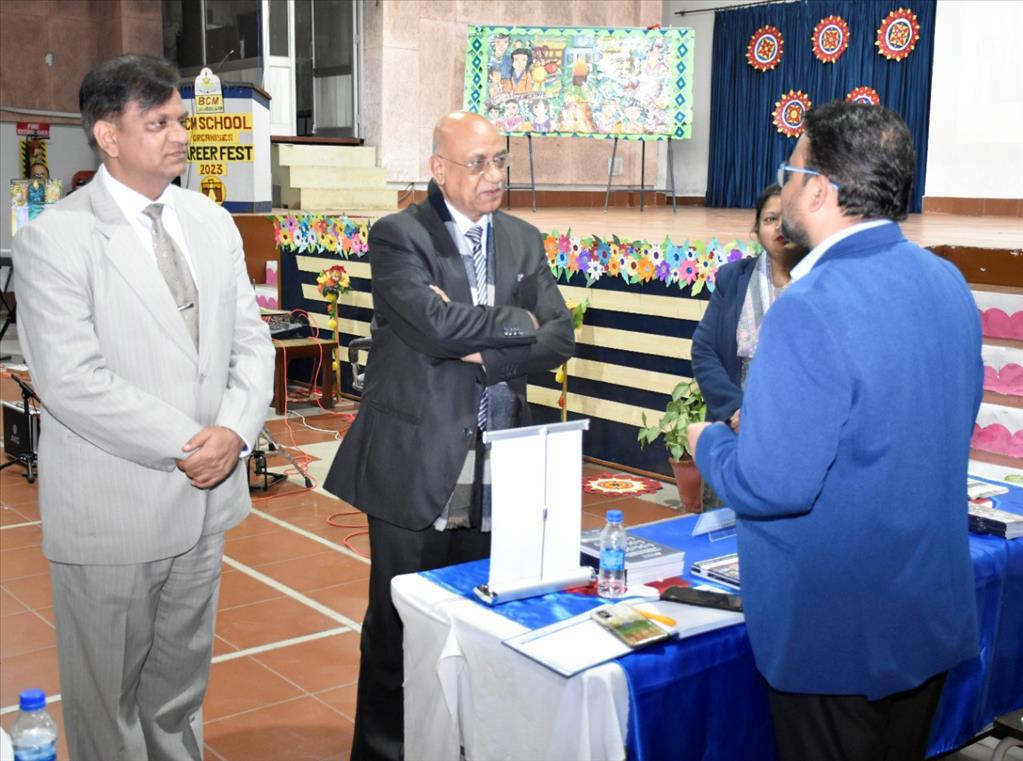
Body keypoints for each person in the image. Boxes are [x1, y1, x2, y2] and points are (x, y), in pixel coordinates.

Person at [687, 101, 982, 761]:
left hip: (837, 633)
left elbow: (771, 485)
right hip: (926, 614)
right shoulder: (946, 281)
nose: (785, 185)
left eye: (789, 171)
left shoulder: (809, 306)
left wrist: (708, 443)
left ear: (819, 189)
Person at [11, 54, 274, 761]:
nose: (180, 135)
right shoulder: (55, 238)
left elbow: (251, 342)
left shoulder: (210, 221)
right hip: (116, 507)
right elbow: (73, 380)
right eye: (157, 123)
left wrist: (235, 432)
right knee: (107, 701)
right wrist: (197, 443)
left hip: (206, 501)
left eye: (179, 119)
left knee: (179, 692)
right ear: (108, 136)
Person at [323, 111, 574, 761]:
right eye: (478, 163)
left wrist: (482, 345)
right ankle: (384, 751)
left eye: (500, 160)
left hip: (501, 461)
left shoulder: (522, 239)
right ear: (438, 169)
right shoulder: (399, 236)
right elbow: (431, 325)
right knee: (398, 628)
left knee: (482, 621)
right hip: (418, 459)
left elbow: (559, 335)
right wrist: (514, 323)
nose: (494, 175)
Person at [691, 183, 807, 432]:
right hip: (735, 426)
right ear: (756, 229)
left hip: (795, 428)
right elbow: (704, 349)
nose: (780, 227)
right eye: (770, 219)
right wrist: (737, 410)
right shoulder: (732, 278)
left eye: (789, 218)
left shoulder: (821, 283)